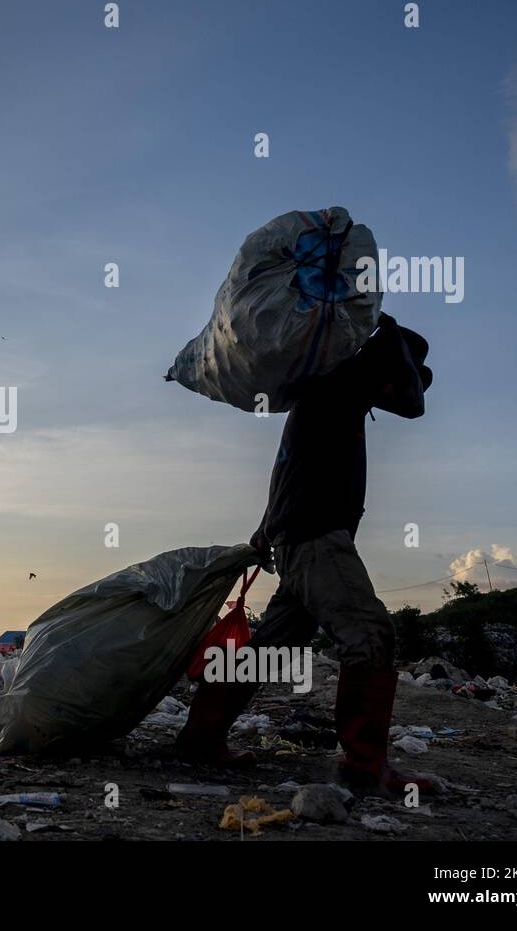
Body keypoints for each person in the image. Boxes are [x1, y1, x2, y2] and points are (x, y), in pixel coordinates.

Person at [175, 313, 434, 793]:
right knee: (370, 636)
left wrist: (266, 528)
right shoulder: (345, 382)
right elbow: (414, 405)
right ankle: (364, 767)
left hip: (299, 536)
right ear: (383, 368)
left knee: (272, 648)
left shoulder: (327, 393)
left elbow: (286, 466)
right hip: (316, 539)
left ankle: (201, 734)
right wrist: (391, 330)